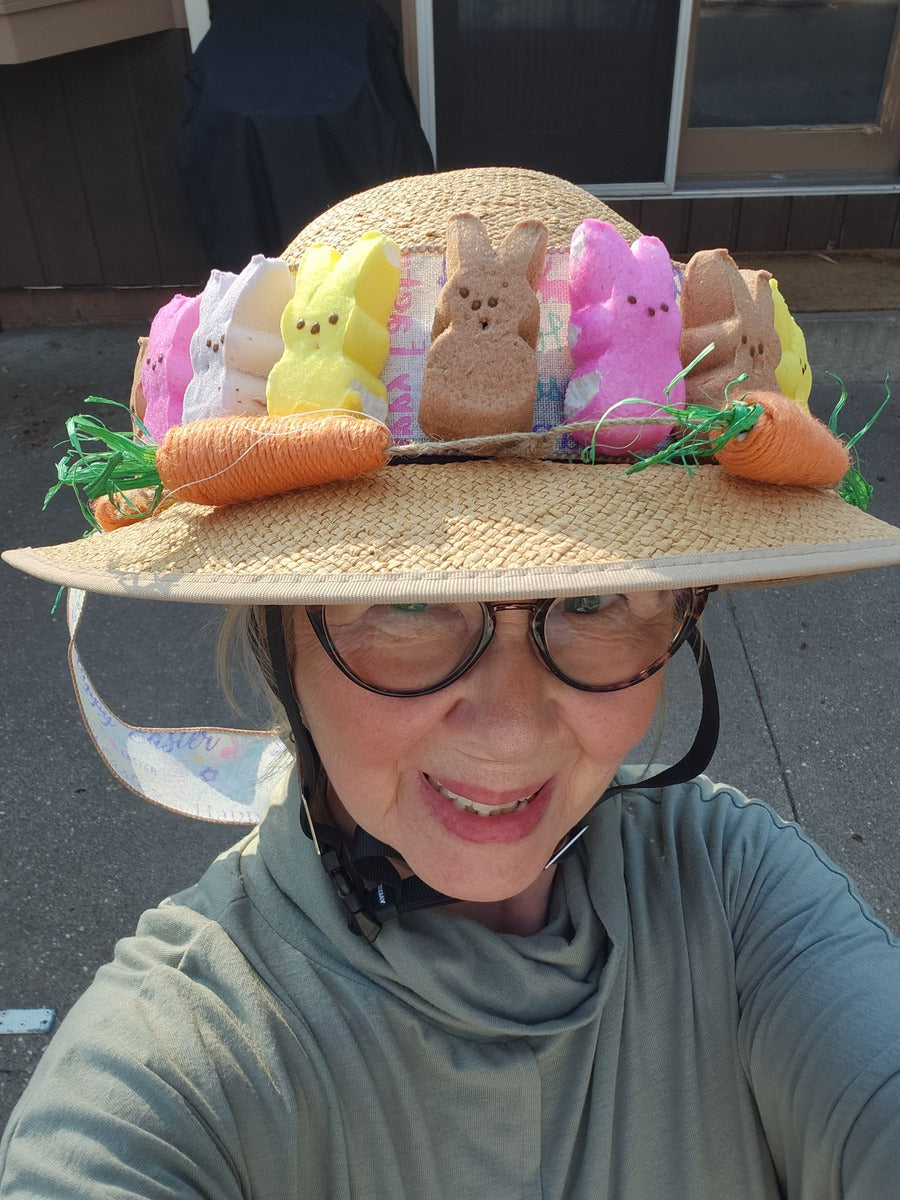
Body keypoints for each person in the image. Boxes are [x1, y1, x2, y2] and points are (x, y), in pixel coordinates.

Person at [1, 168, 899, 1198]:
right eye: (414, 608)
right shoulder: (180, 1056)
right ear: (279, 636)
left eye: (593, 604)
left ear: (683, 611)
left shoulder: (736, 891)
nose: (511, 733)